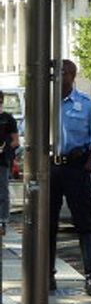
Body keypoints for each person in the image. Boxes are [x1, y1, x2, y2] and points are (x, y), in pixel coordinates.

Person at [49, 60, 91, 295]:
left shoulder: (86, 104)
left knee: (84, 224)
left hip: (76, 168)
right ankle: (48, 275)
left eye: (61, 73)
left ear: (72, 75)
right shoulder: (44, 102)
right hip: (50, 168)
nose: (57, 78)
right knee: (48, 224)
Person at [0, 90, 19, 237]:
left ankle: (3, 220)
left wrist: (5, 147)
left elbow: (15, 141)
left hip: (2, 161)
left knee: (3, 190)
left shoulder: (8, 119)